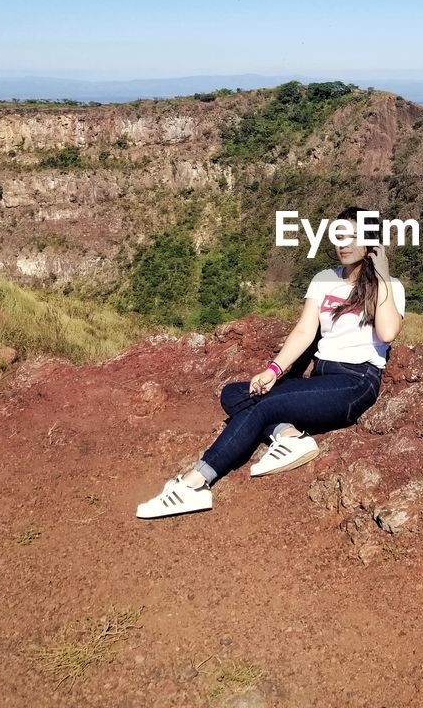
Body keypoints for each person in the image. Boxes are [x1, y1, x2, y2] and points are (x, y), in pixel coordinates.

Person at [136, 206, 406, 518]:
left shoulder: (389, 286)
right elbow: (305, 330)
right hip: (320, 379)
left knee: (261, 407)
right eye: (338, 236)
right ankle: (288, 435)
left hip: (355, 382)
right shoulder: (323, 279)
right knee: (236, 393)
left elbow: (387, 333)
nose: (343, 243)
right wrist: (273, 370)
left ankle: (196, 483)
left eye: (352, 236)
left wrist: (382, 274)